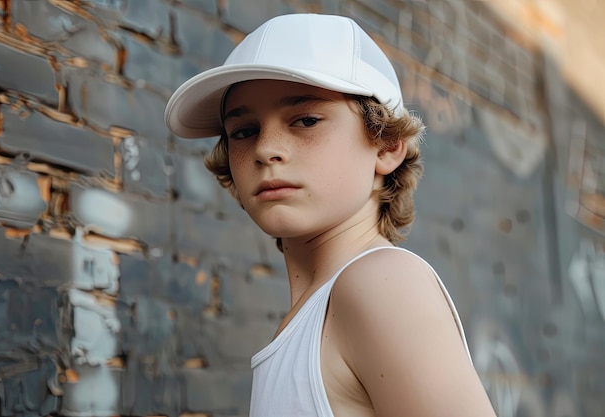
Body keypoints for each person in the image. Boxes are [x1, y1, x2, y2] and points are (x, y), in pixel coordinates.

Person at [165, 13, 496, 417]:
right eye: (244, 131)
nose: (266, 149)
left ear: (387, 145)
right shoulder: (316, 314)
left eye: (306, 120)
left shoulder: (379, 285)